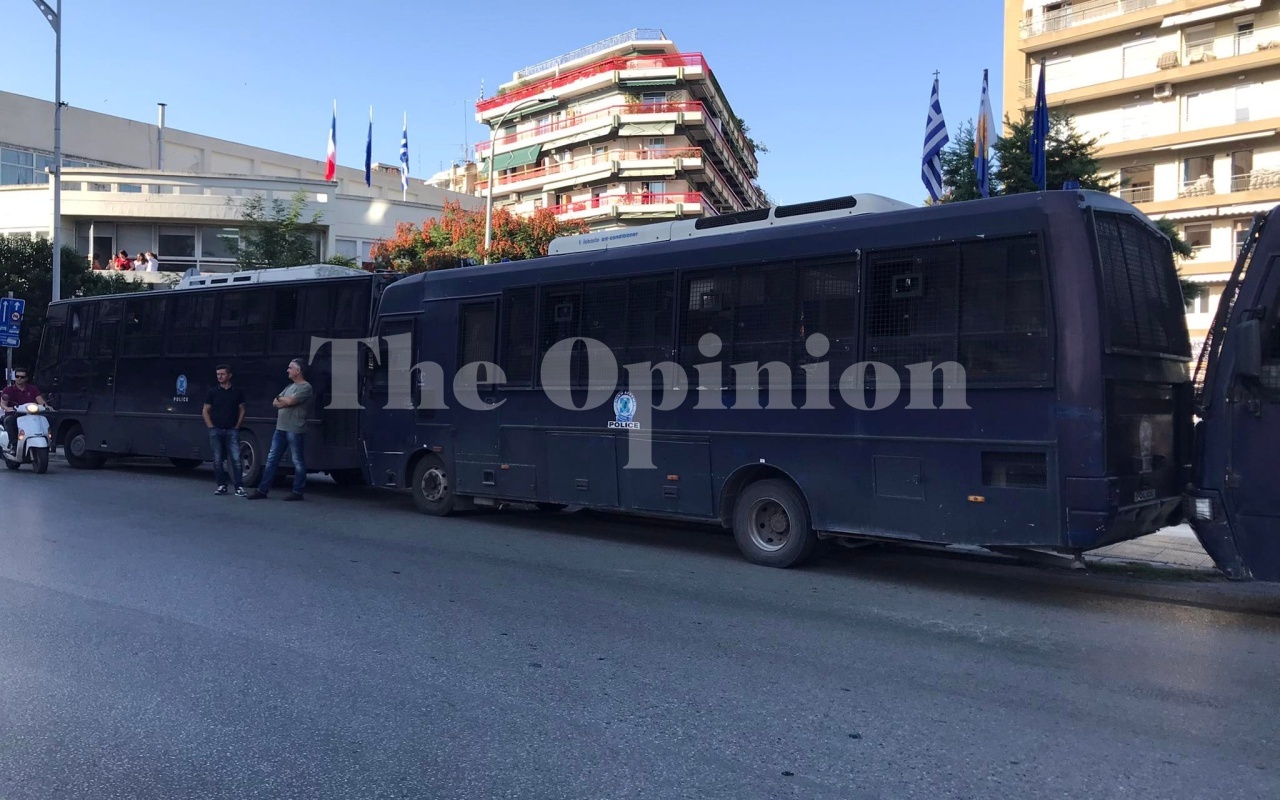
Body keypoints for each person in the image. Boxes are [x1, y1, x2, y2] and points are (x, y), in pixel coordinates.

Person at [247, 358, 313, 501]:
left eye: (290, 368)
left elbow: (290, 401)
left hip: (295, 429)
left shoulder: (305, 387)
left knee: (297, 461)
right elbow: (275, 402)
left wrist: (284, 400)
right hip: (280, 429)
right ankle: (262, 490)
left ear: (298, 371)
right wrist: (284, 400)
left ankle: (297, 492)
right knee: (271, 459)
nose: (287, 370)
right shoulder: (289, 387)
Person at [202, 364, 247, 497]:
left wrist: (237, 426)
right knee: (217, 459)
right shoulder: (212, 392)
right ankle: (221, 485)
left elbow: (242, 410)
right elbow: (205, 410)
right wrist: (211, 427)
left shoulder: (237, 392)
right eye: (218, 374)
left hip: (231, 429)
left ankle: (239, 487)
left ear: (229, 375)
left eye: (222, 374)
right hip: (216, 429)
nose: (220, 377)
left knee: (236, 459)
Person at [2, 369, 52, 455]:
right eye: (17, 376)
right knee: (9, 420)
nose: (19, 378)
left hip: (31, 414)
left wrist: (47, 406)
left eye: (22, 377)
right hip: (14, 414)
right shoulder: (8, 390)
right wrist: (7, 408)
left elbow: (40, 400)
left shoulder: (33, 389)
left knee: (47, 418)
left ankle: (50, 441)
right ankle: (13, 445)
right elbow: (3, 403)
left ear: (26, 378)